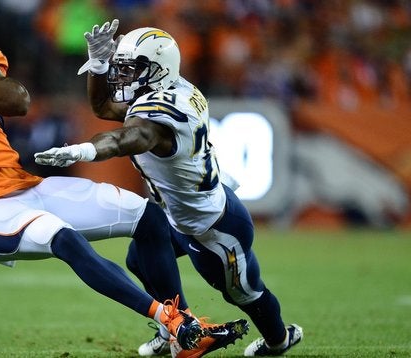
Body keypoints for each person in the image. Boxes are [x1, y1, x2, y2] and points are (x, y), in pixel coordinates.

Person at [0, 4, 247, 356]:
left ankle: (178, 333)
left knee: (147, 217)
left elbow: (18, 100)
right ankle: (175, 323)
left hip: (25, 184)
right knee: (63, 236)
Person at [35, 20, 303, 357]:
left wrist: (85, 150)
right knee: (140, 257)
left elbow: (127, 138)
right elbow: (104, 107)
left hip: (211, 228)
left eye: (131, 69)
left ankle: (279, 340)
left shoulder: (159, 116)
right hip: (180, 214)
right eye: (122, 67)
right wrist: (100, 66)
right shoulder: (173, 90)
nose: (123, 76)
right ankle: (177, 328)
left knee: (244, 294)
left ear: (159, 70)